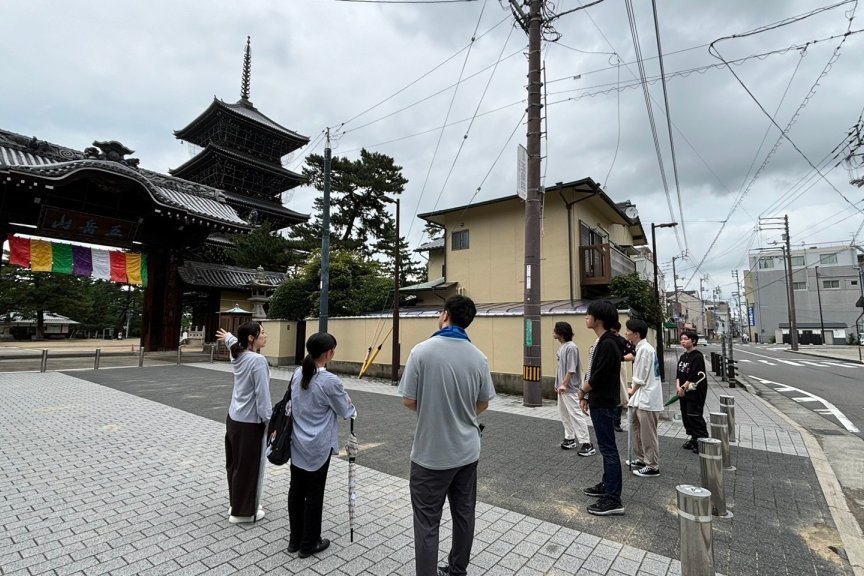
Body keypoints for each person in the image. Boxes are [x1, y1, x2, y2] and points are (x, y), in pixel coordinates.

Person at [398, 295, 496, 576]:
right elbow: (483, 403)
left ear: (444, 315)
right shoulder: (478, 357)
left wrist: (432, 408)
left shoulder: (422, 351)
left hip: (431, 453)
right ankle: (457, 569)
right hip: (467, 450)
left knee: (427, 521)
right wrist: (461, 413)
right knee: (464, 512)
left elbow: (408, 400)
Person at [288, 332, 356, 558]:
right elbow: (345, 410)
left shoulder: (298, 373)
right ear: (327, 353)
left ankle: (294, 540)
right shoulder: (329, 380)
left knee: (296, 490)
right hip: (318, 444)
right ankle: (309, 543)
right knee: (314, 493)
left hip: (297, 440)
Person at [217, 323, 272, 524]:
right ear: (251, 338)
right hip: (250, 422)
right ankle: (243, 513)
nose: (265, 336)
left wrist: (228, 336)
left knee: (235, 464)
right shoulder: (258, 361)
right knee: (249, 467)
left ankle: (236, 503)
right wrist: (270, 421)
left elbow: (232, 342)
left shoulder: (236, 353)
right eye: (262, 333)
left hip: (234, 418)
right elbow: (262, 395)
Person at [579, 300, 625, 516]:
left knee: (608, 449)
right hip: (600, 400)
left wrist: (582, 391)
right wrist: (587, 396)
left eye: (588, 315)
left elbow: (598, 375)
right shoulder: (605, 341)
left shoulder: (607, 343)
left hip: (604, 402)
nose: (586, 318)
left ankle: (613, 498)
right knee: (606, 447)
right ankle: (607, 485)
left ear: (598, 318)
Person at [624, 318, 663, 477]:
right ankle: (642, 459)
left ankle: (652, 466)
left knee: (648, 435)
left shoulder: (644, 350)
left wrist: (631, 390)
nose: (626, 333)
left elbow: (640, 376)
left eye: (628, 331)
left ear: (636, 334)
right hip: (642, 398)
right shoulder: (643, 348)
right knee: (638, 430)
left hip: (647, 398)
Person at [553, 321, 594, 456]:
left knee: (576, 414)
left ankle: (586, 443)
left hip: (570, 388)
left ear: (561, 333)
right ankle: (570, 438)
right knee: (564, 414)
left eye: (555, 330)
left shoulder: (571, 348)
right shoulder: (563, 347)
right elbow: (561, 369)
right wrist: (558, 384)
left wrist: (564, 384)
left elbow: (571, 369)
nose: (553, 332)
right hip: (563, 388)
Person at [677, 330, 708, 453]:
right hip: (683, 391)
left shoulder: (697, 356)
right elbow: (678, 374)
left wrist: (683, 387)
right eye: (682, 339)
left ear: (693, 341)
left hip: (695, 392)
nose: (683, 341)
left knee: (694, 414)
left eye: (686, 339)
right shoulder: (683, 357)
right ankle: (694, 438)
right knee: (685, 415)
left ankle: (703, 440)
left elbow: (694, 375)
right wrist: (679, 387)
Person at [610, 321, 636, 433]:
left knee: (620, 393)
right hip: (606, 369)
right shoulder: (603, 340)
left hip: (619, 367)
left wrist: (621, 358)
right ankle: (610, 421)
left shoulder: (622, 341)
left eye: (613, 331)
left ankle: (617, 421)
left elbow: (633, 354)